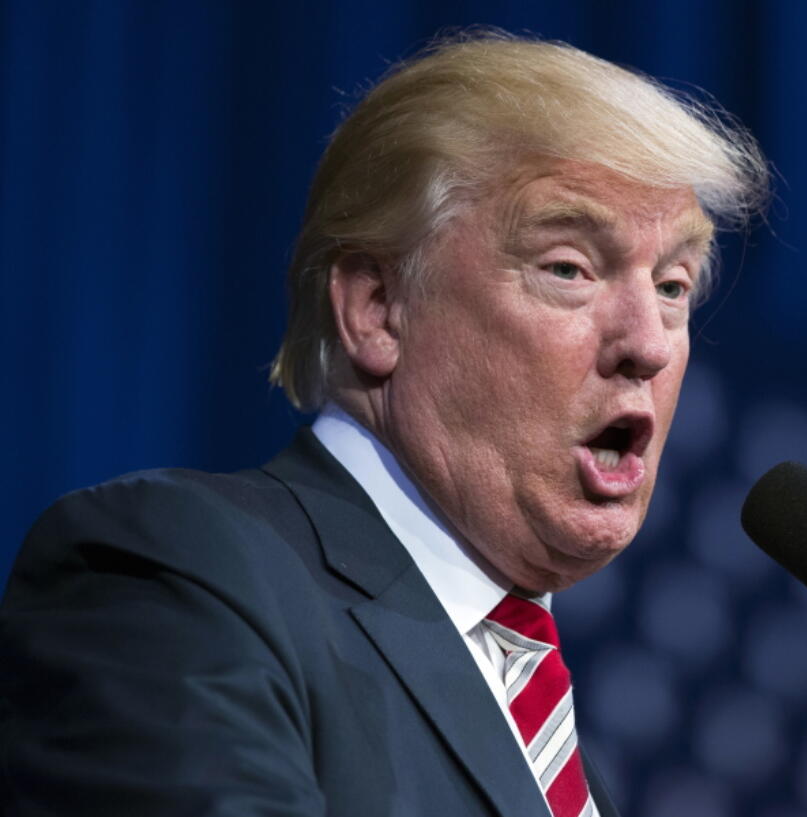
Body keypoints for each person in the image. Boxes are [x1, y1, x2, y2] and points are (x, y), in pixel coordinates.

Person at [0, 31, 768, 817]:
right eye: (569, 268)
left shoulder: (553, 742)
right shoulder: (174, 573)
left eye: (673, 285)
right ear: (377, 309)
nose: (647, 342)